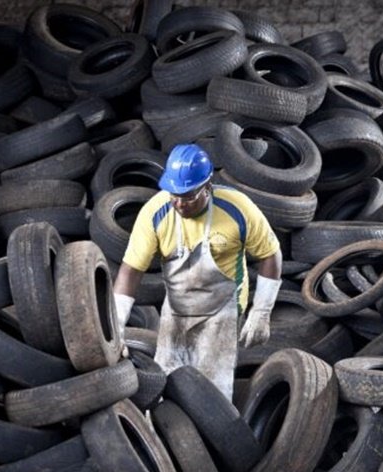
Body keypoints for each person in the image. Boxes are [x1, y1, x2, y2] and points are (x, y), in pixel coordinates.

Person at [113, 143, 282, 402]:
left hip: (222, 313)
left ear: (208, 187)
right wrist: (116, 327)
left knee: (211, 395)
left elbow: (270, 255)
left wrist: (261, 312)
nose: (180, 203)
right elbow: (131, 271)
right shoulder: (155, 213)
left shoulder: (238, 209)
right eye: (174, 194)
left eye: (188, 196)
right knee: (163, 387)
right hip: (176, 311)